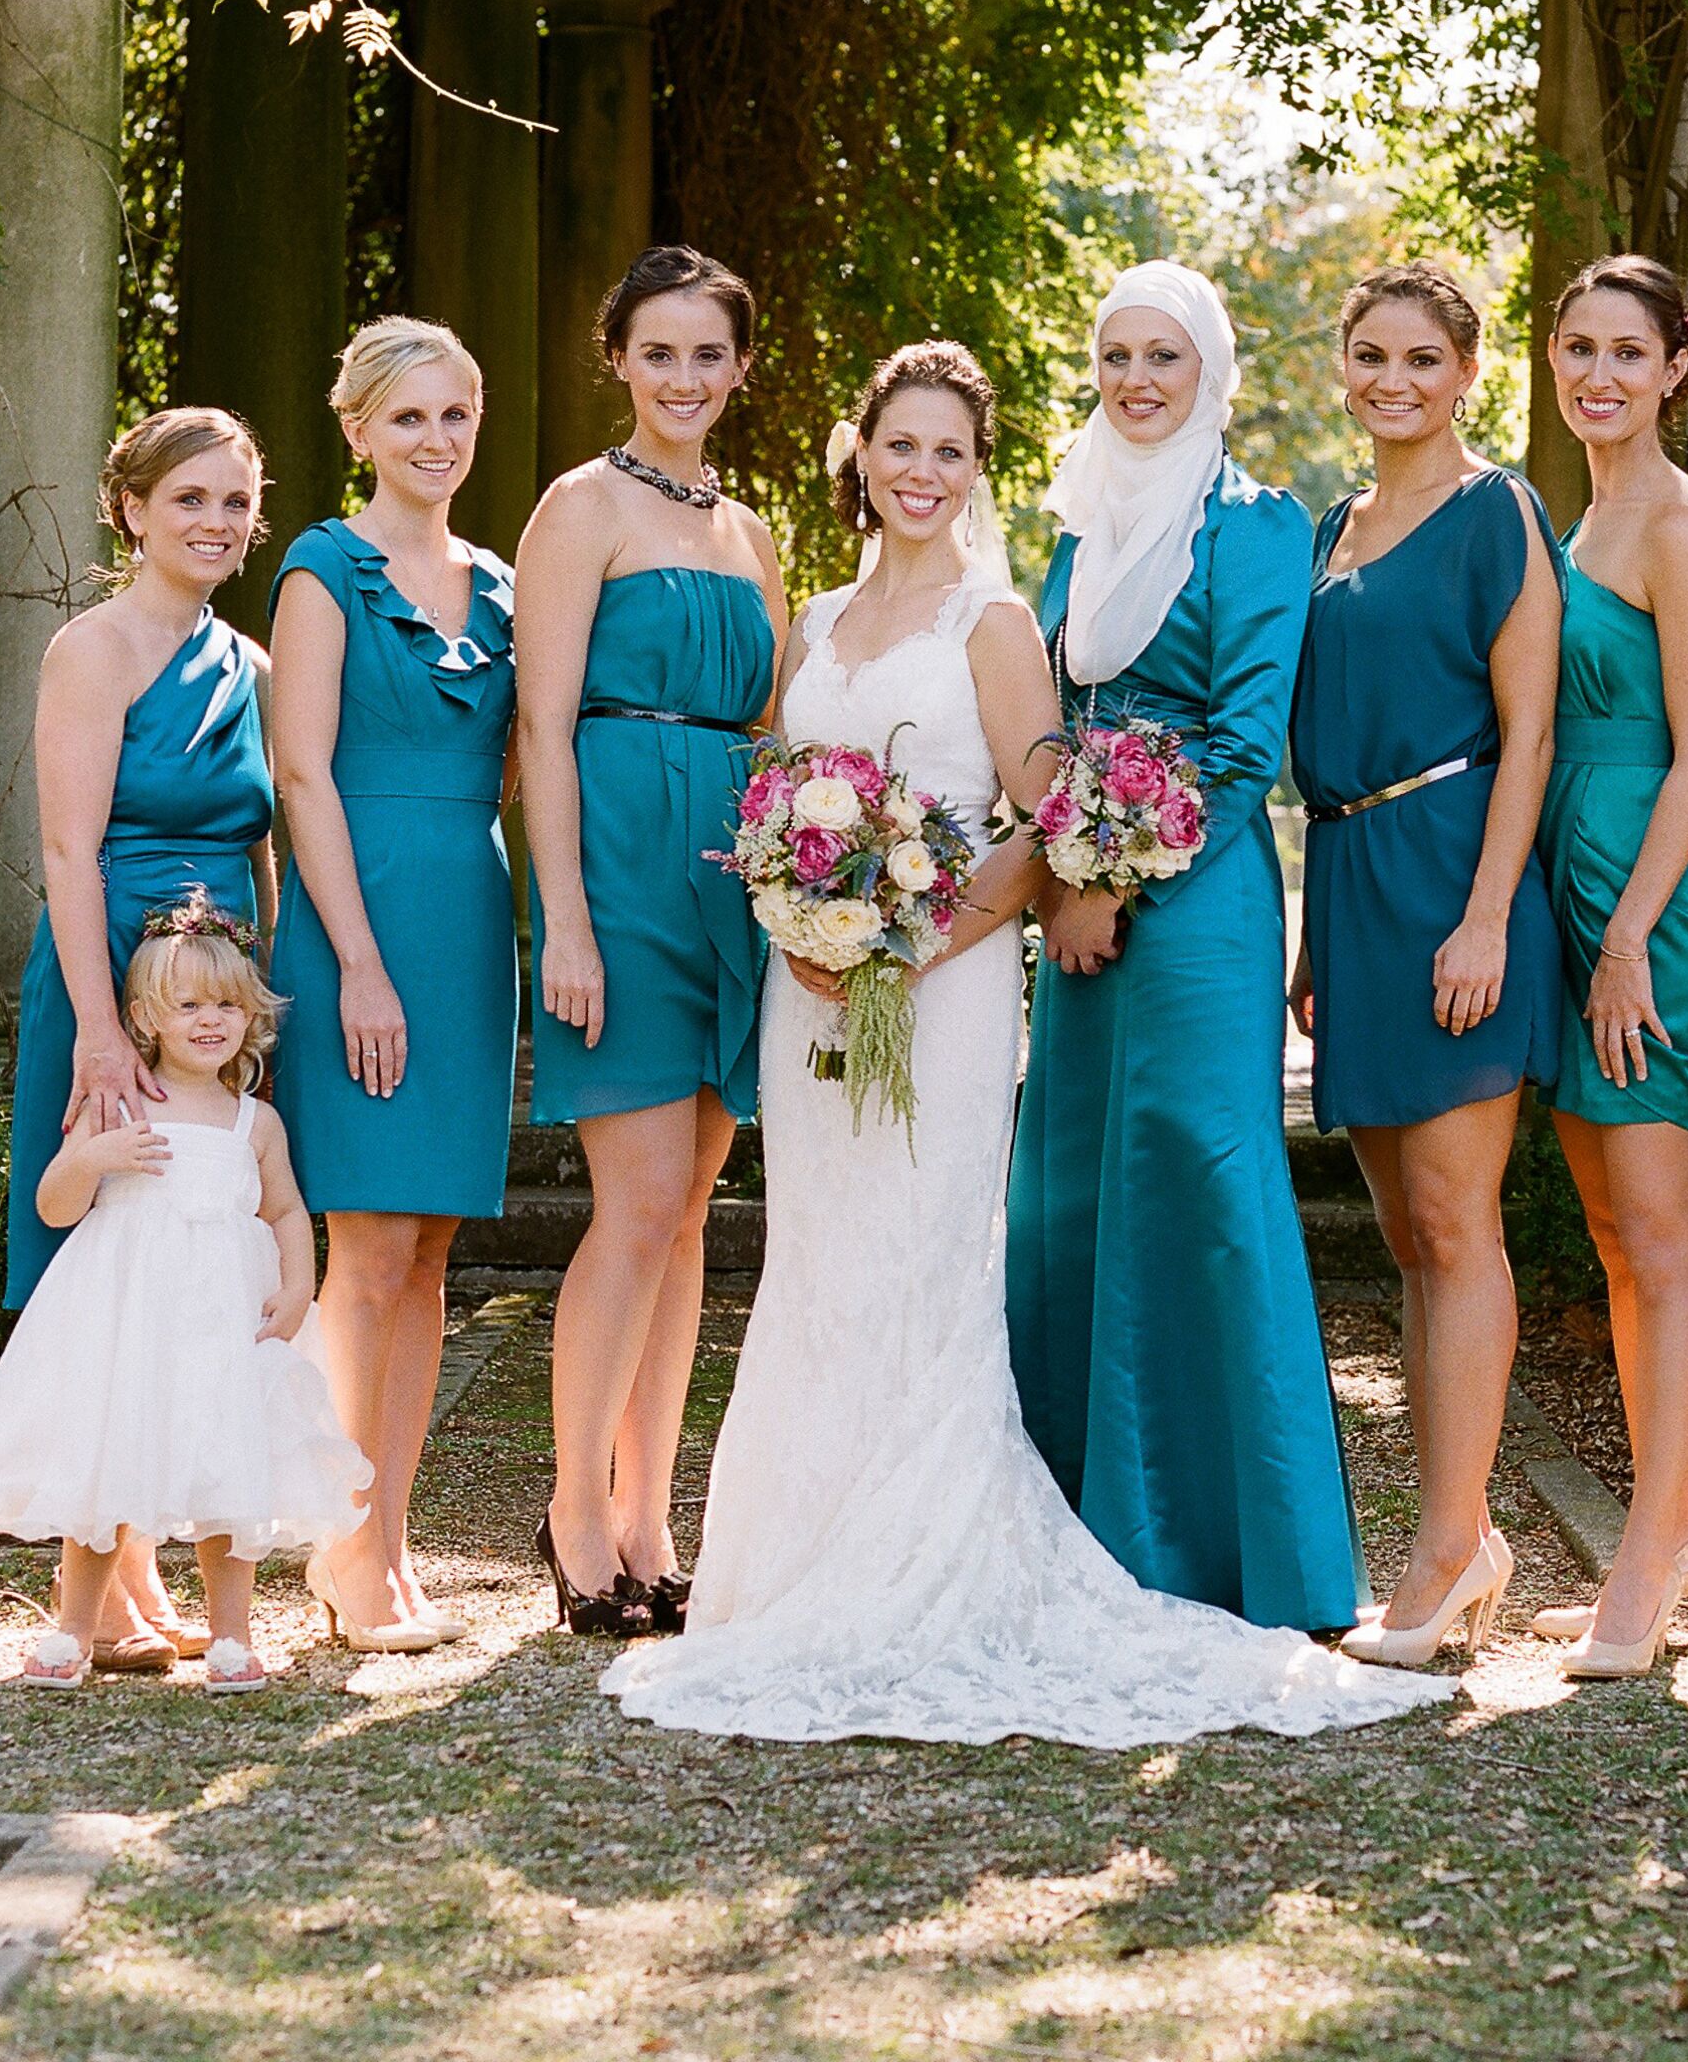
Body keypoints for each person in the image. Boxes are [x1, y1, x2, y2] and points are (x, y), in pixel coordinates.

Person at [605, 343, 1447, 1742]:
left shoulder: (998, 623)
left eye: (948, 450)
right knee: (818, 1254)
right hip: (808, 994)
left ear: (973, 470)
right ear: (860, 455)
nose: (920, 471)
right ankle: (793, 1566)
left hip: (938, 988)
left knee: (922, 1255)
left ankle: (930, 1561)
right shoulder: (809, 623)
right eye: (900, 445)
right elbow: (774, 801)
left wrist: (903, 945)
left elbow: (1042, 815)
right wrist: (804, 921)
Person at [1005, 261, 1363, 1635]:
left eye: (1166, 356)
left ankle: (1251, 1559)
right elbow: (1047, 717)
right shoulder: (1077, 528)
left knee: (1204, 1186)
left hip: (1197, 900)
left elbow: (1241, 739)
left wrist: (1104, 880)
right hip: (1076, 903)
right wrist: (1050, 879)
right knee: (1072, 1197)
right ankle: (1089, 1541)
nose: (1138, 380)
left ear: (1211, 369)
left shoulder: (1256, 522)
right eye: (1116, 356)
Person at [1286, 262, 1563, 1666]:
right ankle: (1470, 1534)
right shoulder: (1332, 525)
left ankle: (1447, 1552)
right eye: (1370, 355)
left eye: (1421, 359)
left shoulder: (1497, 511)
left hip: (1456, 878)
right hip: (1350, 883)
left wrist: (1488, 915)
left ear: (1466, 373)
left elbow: (1531, 735)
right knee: (1408, 1237)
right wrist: (1308, 938)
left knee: (1458, 1227)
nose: (1392, 379)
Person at [516, 247, 787, 1638]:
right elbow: (542, 723)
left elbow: (783, 726)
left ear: (741, 368)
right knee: (631, 1205)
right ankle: (571, 1515)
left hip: (725, 874)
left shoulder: (751, 532)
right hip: (618, 860)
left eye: (708, 354)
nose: (684, 377)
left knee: (689, 1207)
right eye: (659, 351)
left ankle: (648, 1512)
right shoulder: (579, 507)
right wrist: (561, 913)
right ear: (616, 357)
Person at [2, 405, 279, 1668]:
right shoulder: (93, 650)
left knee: (192, 1265)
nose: (216, 522)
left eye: (235, 501)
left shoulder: (257, 666)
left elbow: (266, 837)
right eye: (191, 501)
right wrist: (103, 1032)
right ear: (133, 512)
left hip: (217, 984)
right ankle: (102, 1584)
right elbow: (66, 848)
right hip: (105, 965)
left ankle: (146, 1572)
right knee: (102, 1261)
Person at [0, 902, 370, 1693]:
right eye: (189, 1005)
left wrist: (300, 1285)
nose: (212, 1021)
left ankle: (234, 1636)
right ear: (144, 1018)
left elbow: (283, 1210)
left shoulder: (255, 1122)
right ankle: (75, 1628)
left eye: (228, 1004)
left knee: (229, 1474)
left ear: (251, 1014)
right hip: (132, 1317)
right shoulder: (121, 1103)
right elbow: (54, 1206)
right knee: (108, 1467)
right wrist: (96, 1153)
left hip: (225, 1317)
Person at [267, 317, 517, 1655]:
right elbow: (301, 772)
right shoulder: (320, 570)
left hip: (471, 928)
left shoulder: (505, 584)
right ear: (357, 427)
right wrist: (355, 959)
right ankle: (340, 1545)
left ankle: (388, 1539)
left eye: (456, 416)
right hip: (357, 924)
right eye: (408, 417)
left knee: (428, 1256)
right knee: (360, 1250)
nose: (435, 440)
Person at [1525, 255, 1688, 1681]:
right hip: (1565, 891)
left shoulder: (1674, 518)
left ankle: (1648, 1552)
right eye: (1578, 347)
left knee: (1661, 1238)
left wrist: (1620, 942)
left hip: (1649, 917)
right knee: (1614, 1239)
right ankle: (1677, 1532)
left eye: (1628, 352)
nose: (1598, 373)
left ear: (1677, 369)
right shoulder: (1577, 508)